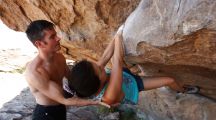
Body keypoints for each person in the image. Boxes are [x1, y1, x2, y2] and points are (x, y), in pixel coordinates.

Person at [24, 20, 108, 120]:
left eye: (55, 34)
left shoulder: (60, 57)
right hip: (45, 115)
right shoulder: (35, 72)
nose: (58, 38)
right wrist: (95, 101)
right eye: (52, 37)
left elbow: (72, 79)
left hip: (60, 108)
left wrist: (95, 83)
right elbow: (64, 99)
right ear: (39, 43)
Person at [68, 26, 200, 106]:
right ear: (97, 83)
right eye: (99, 69)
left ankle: (132, 70)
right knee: (169, 80)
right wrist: (119, 36)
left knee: (119, 67)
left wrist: (115, 36)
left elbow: (104, 57)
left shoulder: (94, 74)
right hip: (133, 85)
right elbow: (117, 61)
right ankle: (182, 91)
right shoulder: (109, 96)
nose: (100, 65)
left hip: (122, 75)